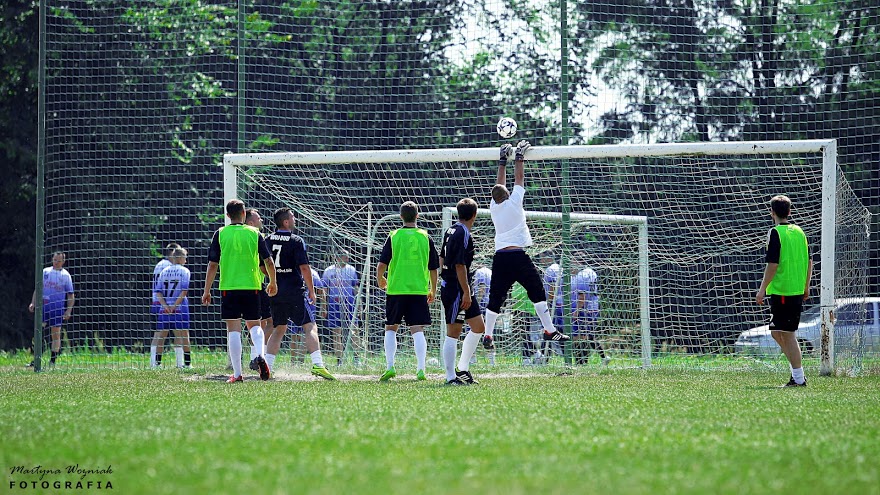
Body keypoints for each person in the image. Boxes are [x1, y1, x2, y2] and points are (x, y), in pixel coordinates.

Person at [482, 140, 570, 350]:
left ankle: (487, 335)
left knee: (496, 297)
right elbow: (519, 179)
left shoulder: (494, 207)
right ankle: (549, 330)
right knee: (537, 291)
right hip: (518, 257)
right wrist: (519, 156)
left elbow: (500, 184)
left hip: (501, 257)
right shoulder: (514, 203)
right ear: (507, 194)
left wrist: (502, 161)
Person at [202, 199, 278, 383]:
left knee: (233, 330)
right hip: (252, 286)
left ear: (227, 216)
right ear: (244, 214)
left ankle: (237, 374)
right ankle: (259, 355)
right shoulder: (255, 233)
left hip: (229, 287)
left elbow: (213, 264)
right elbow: (268, 261)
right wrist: (273, 282)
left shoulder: (220, 234)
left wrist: (207, 291)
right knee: (255, 325)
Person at [264, 207, 335, 380]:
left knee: (278, 328)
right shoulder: (296, 240)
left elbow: (263, 264)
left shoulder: (267, 239)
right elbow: (304, 268)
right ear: (286, 222)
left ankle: (267, 367)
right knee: (310, 326)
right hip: (295, 290)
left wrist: (274, 280)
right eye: (293, 217)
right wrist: (311, 290)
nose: (295, 219)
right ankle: (318, 365)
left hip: (276, 290)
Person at [376, 201, 440, 382]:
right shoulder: (425, 237)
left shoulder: (394, 236)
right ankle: (421, 369)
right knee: (417, 329)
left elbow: (382, 265)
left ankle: (390, 367)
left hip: (396, 289)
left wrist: (380, 279)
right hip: (418, 290)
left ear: (401, 217)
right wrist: (432, 290)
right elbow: (434, 268)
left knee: (391, 327)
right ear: (417, 216)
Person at [756, 195, 812, 387]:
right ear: (789, 211)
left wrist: (762, 289)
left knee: (787, 334)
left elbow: (773, 264)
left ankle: (798, 377)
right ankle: (797, 373)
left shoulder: (775, 233)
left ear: (772, 213)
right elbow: (809, 261)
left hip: (783, 291)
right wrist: (806, 285)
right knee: (777, 333)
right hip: (795, 289)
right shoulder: (800, 232)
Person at [438, 198, 485, 385]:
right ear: (474, 215)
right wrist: (464, 291)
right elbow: (459, 265)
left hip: (461, 287)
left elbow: (441, 257)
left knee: (478, 327)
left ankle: (463, 369)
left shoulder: (450, 230)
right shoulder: (463, 233)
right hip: (457, 289)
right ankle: (450, 377)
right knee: (453, 332)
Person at [28, 251, 75, 366]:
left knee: (56, 334)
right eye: (55, 260)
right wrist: (33, 303)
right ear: (52, 259)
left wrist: (68, 310)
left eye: (59, 261)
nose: (56, 262)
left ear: (63, 262)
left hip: (57, 309)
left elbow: (71, 295)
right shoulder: (45, 272)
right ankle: (36, 359)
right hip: (43, 308)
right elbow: (38, 289)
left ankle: (52, 361)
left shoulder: (66, 275)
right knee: (38, 332)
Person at [151, 247, 193, 368]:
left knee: (162, 335)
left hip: (165, 308)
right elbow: (184, 291)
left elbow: (158, 292)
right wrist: (174, 306)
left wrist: (166, 306)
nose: (186, 260)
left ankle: (157, 364)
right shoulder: (185, 271)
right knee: (184, 334)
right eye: (185, 257)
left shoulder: (164, 271)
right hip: (180, 306)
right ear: (180, 258)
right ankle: (187, 363)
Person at [245, 208, 274, 372]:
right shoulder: (256, 237)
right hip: (258, 285)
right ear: (250, 222)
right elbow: (265, 265)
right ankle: (258, 357)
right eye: (258, 218)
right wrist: (274, 279)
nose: (262, 220)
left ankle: (254, 358)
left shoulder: (239, 237)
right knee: (269, 322)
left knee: (256, 324)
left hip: (240, 285)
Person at [323, 251, 361, 366]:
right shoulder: (328, 271)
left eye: (348, 256)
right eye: (345, 256)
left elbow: (356, 289)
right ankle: (340, 360)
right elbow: (324, 290)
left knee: (354, 331)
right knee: (336, 332)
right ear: (338, 257)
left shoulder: (351, 270)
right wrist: (324, 307)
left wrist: (359, 306)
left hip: (349, 304)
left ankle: (356, 359)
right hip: (334, 304)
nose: (348, 258)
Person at [570, 265, 608, 366]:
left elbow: (582, 296)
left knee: (581, 337)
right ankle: (601, 357)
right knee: (587, 336)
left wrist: (576, 311)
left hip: (586, 310)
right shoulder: (591, 272)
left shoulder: (582, 275)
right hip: (593, 307)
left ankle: (582, 362)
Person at [290, 266, 323, 366]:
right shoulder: (293, 270)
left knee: (307, 333)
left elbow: (321, 290)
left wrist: (323, 306)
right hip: (295, 304)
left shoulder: (312, 273)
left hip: (309, 305)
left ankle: (300, 361)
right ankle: (293, 361)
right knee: (295, 334)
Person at [472, 264, 496, 365]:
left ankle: (472, 358)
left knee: (472, 332)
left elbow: (481, 288)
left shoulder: (479, 273)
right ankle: (491, 360)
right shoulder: (491, 272)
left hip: (481, 305)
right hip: (490, 305)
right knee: (489, 334)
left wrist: (476, 304)